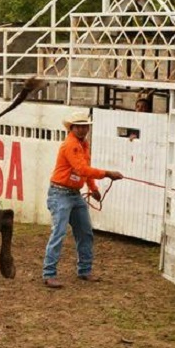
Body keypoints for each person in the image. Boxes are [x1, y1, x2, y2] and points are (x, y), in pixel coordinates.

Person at [42, 112, 124, 288]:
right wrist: (107, 174)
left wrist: (93, 188)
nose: (82, 129)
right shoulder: (71, 145)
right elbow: (81, 169)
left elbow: (83, 169)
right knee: (60, 233)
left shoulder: (82, 144)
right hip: (61, 193)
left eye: (84, 126)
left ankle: (84, 270)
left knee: (84, 232)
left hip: (70, 193)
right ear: (72, 128)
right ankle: (49, 274)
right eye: (79, 126)